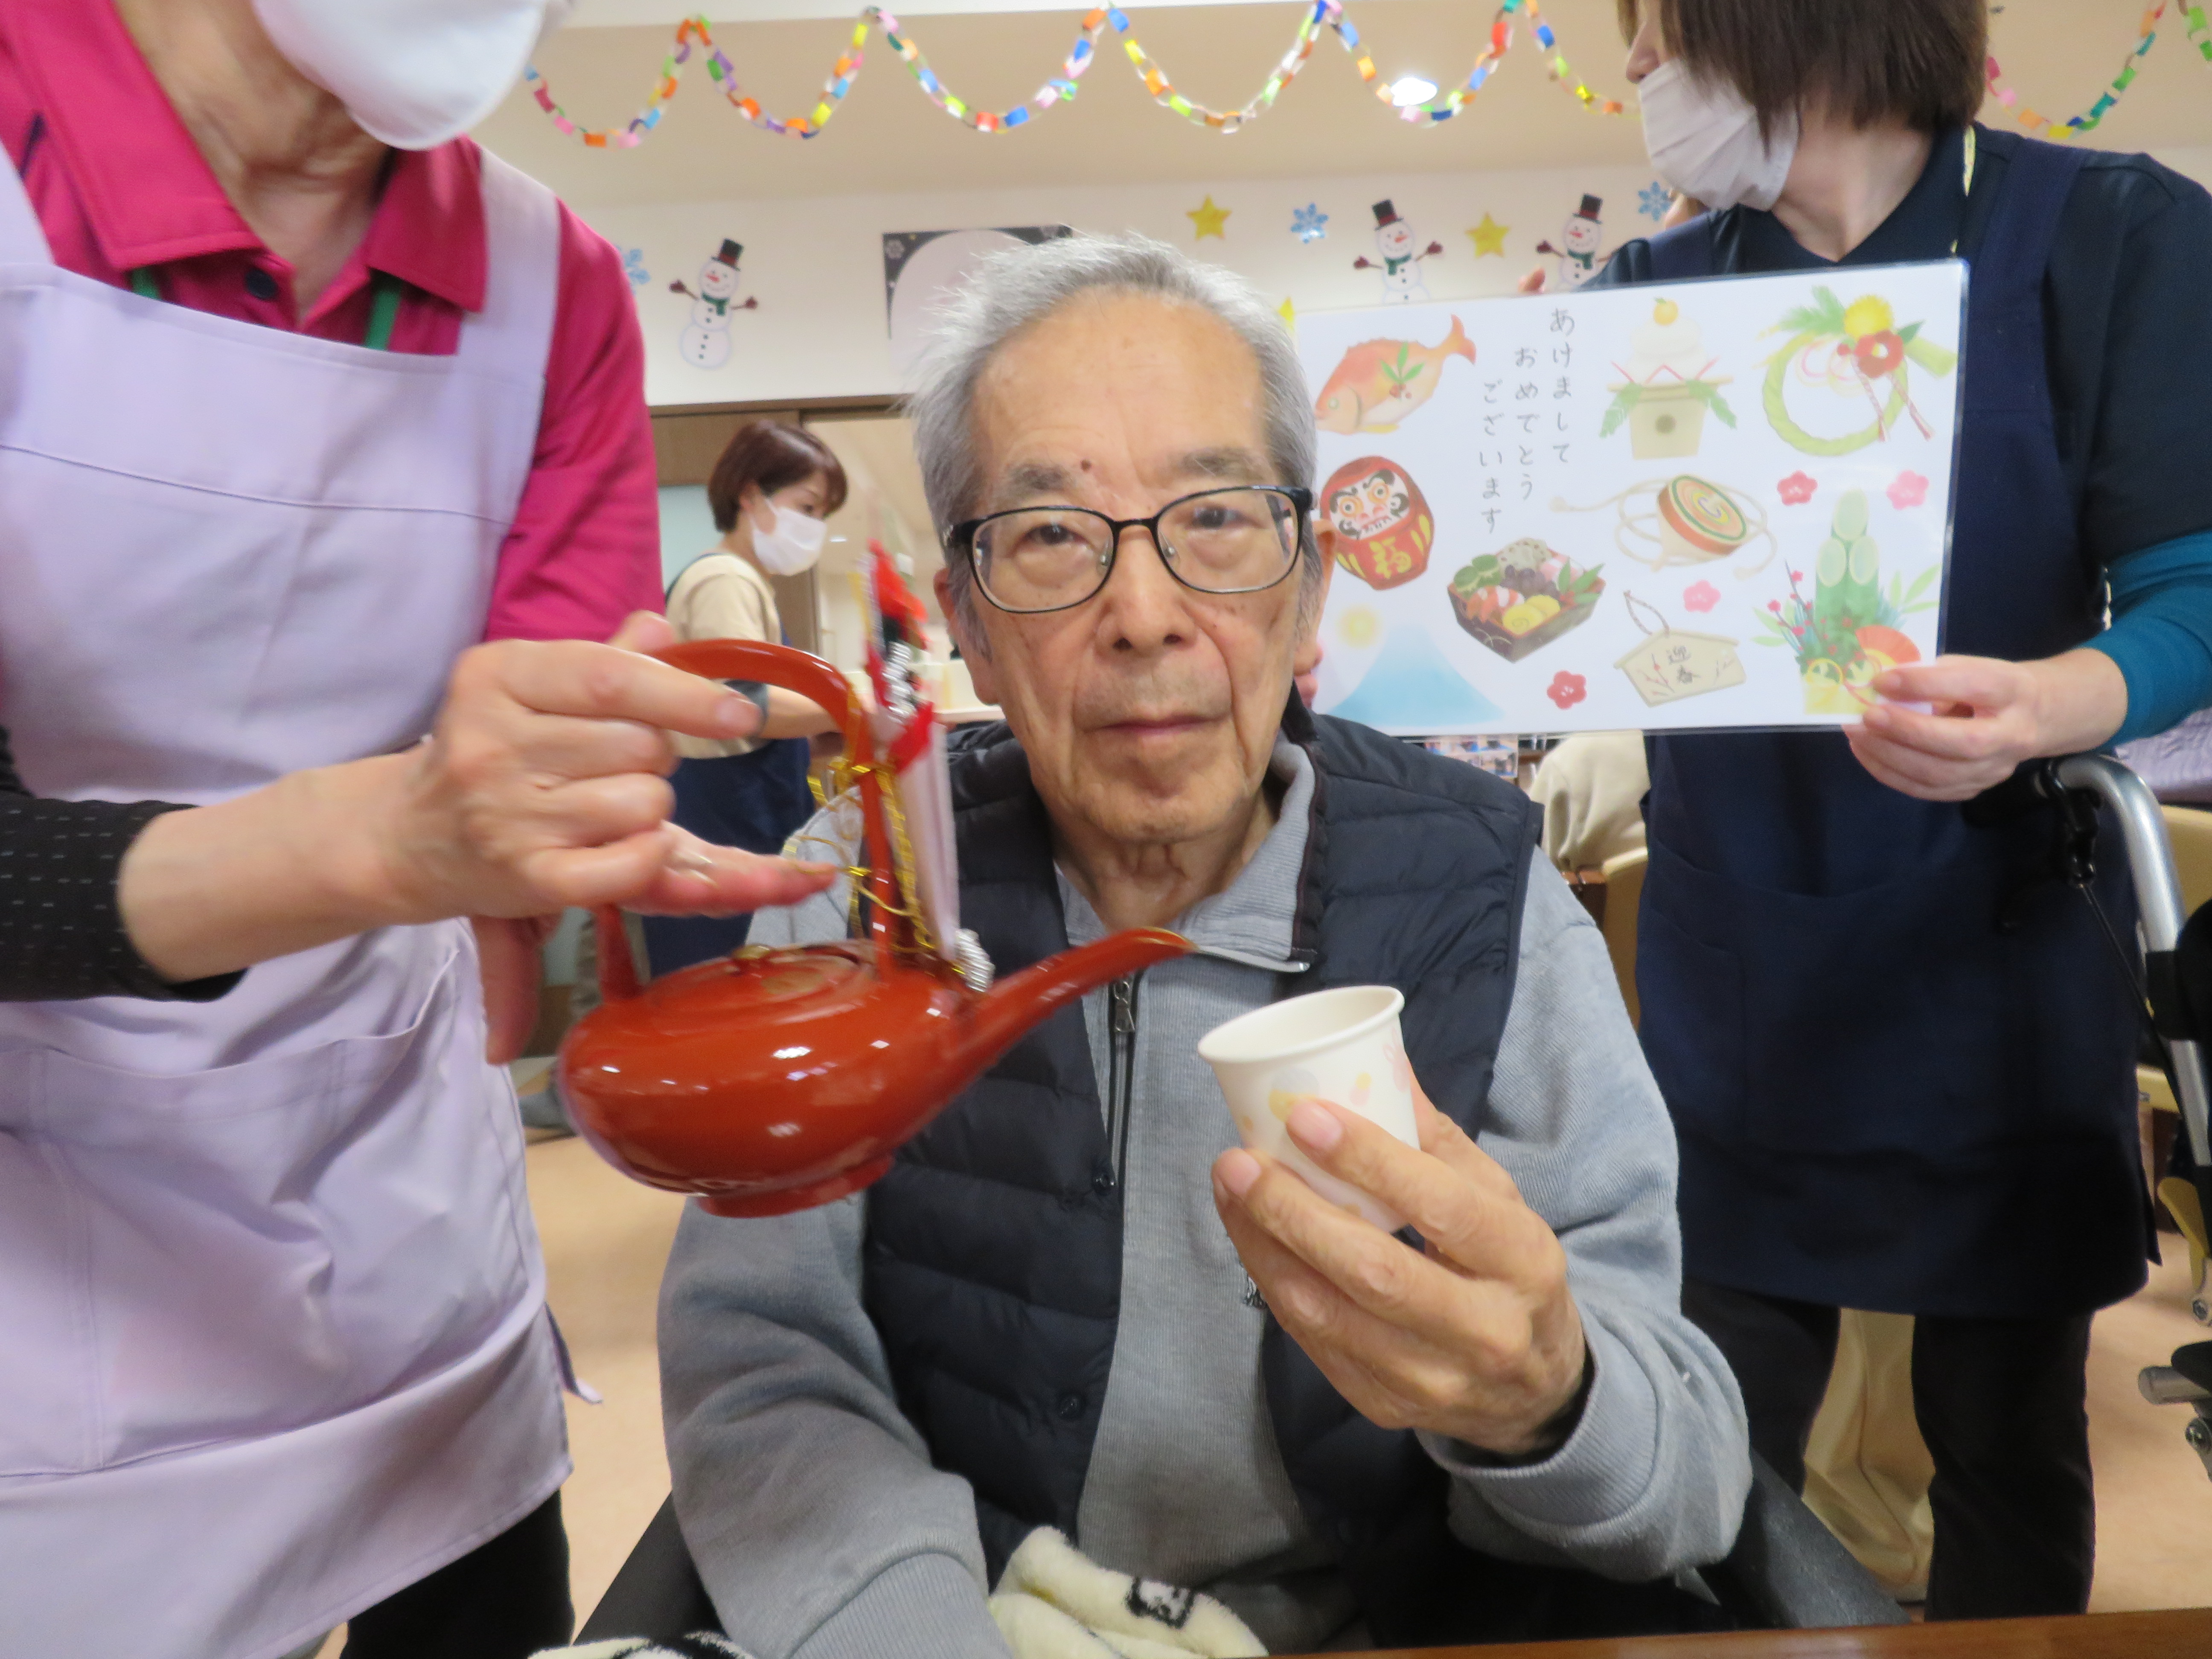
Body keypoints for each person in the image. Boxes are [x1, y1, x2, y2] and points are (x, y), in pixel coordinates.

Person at [657, 234, 1750, 1659]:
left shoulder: (1489, 894)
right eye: (1052, 536)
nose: (1144, 615)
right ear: (967, 621)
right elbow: (764, 1368)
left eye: (1217, 517)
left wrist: (1549, 1397)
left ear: (1310, 587)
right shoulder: (858, 894)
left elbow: (1685, 1464)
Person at [0, 3, 827, 1655]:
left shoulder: (546, 285)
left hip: (404, 1244)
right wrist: (388, 839)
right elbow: (442, 828)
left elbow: (536, 812)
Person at [1594, 0, 2212, 1621]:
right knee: (1718, 1434)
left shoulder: (2104, 237)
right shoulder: (1649, 296)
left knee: (2004, 1432)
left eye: (1655, 30)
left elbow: (2193, 584)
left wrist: (2054, 701)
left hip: (1995, 949)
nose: (1635, 72)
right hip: (1742, 968)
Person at [645, 421, 851, 974]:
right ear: (752, 495)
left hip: (745, 802)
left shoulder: (747, 582)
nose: (814, 527)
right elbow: (746, 706)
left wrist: (821, 735)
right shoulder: (724, 580)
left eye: (822, 516)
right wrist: (853, 709)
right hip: (724, 814)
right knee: (728, 977)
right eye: (807, 508)